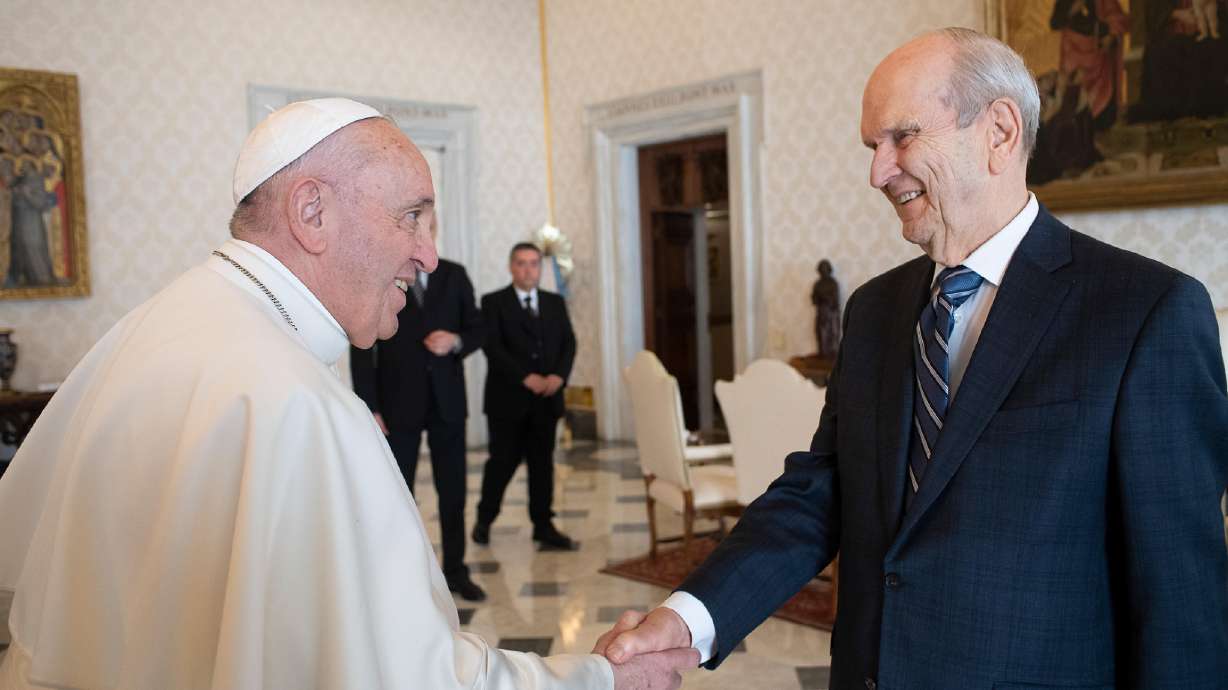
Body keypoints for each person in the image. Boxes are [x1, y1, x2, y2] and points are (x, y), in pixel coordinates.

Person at [595, 28, 1228, 689]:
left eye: (902, 137)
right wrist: (689, 620)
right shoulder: (873, 312)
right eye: (873, 146)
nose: (878, 171)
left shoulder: (1144, 313)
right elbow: (820, 495)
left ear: (1000, 132)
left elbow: (1181, 600)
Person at [0, 98, 695, 689]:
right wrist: (603, 677)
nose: (428, 254)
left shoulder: (154, 322)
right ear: (312, 211)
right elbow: (408, 676)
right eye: (412, 216)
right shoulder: (299, 404)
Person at [350, 216, 488, 602]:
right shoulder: (382, 274)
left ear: (435, 232)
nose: (421, 235)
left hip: (447, 402)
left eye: (428, 228)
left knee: (453, 491)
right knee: (399, 492)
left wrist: (456, 340)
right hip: (398, 403)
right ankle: (402, 576)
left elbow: (478, 328)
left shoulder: (455, 276)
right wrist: (370, 405)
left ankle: (457, 571)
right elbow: (362, 345)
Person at [473, 242, 578, 551]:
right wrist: (525, 377)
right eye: (521, 263)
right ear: (511, 267)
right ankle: (484, 519)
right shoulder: (493, 302)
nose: (528, 269)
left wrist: (558, 377)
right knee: (502, 463)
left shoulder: (554, 302)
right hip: (507, 401)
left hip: (547, 400)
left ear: (540, 268)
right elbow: (492, 346)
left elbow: (569, 343)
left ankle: (543, 526)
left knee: (542, 464)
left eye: (533, 263)